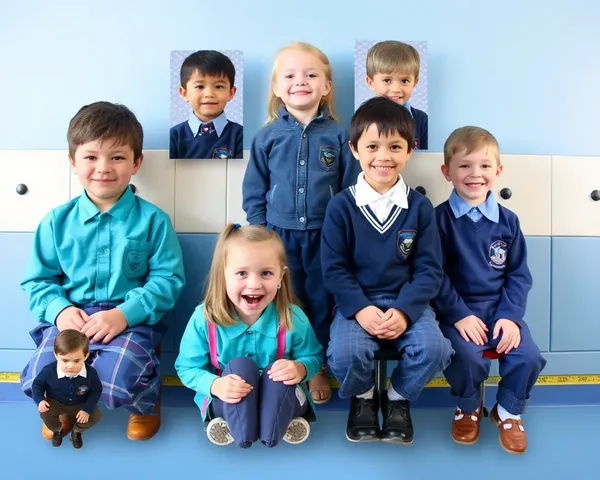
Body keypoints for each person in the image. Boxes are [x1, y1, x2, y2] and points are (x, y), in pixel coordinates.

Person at [20, 101, 186, 442]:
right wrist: (60, 310)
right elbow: (38, 281)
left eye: (118, 157)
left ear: (136, 162)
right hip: (72, 318)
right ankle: (65, 407)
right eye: (91, 157)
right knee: (41, 376)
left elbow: (168, 280)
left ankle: (145, 402)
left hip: (128, 319)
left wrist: (125, 314)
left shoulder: (153, 221)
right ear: (73, 161)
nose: (104, 167)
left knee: (114, 377)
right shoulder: (55, 222)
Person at [321, 96, 453, 443]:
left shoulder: (420, 208)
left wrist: (405, 311)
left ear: (410, 150)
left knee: (436, 349)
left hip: (407, 302)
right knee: (345, 352)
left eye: (395, 146)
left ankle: (397, 399)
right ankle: (364, 397)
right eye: (372, 146)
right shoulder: (341, 207)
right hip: (357, 304)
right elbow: (334, 270)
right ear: (354, 149)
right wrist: (361, 309)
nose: (384, 156)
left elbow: (429, 271)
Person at [242, 42, 358, 404]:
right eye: (289, 75)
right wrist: (263, 235)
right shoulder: (267, 137)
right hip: (278, 239)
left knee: (323, 302)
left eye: (311, 74)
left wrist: (341, 234)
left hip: (326, 238)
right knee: (288, 303)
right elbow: (253, 191)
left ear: (326, 86)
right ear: (277, 87)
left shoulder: (340, 136)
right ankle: (285, 362)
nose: (300, 81)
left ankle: (317, 364)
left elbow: (351, 189)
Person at [433, 126, 546, 455]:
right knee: (467, 357)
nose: (475, 174)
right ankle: (468, 407)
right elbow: (435, 276)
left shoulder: (508, 221)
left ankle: (508, 411)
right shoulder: (439, 221)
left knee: (528, 356)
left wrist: (510, 317)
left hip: (501, 309)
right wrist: (459, 315)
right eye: (464, 165)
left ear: (497, 172)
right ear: (447, 172)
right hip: (459, 312)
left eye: (484, 166)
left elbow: (519, 275)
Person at [175, 224, 323, 448]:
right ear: (223, 275)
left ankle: (279, 424)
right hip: (228, 397)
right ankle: (236, 426)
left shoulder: (293, 318)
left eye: (266, 273)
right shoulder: (204, 319)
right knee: (240, 366)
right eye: (242, 273)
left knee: (279, 374)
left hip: (282, 396)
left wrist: (300, 368)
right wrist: (215, 385)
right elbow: (187, 368)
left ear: (280, 277)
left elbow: (314, 356)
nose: (254, 284)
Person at [32, 329, 102, 449]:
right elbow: (37, 384)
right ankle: (57, 430)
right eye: (65, 360)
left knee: (96, 415)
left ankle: (76, 431)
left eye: (76, 361)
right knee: (45, 412)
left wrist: (86, 409)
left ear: (86, 356)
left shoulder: (91, 373)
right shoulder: (48, 371)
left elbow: (96, 390)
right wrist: (40, 400)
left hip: (79, 403)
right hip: (55, 402)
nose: (70, 366)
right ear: (56, 355)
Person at [170, 50, 243, 159]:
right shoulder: (174, 136)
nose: (209, 94)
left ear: (231, 93)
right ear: (185, 93)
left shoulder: (240, 135)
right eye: (199, 86)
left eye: (219, 87)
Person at [365, 40, 428, 150]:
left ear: (414, 83)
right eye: (387, 80)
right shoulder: (363, 118)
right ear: (371, 83)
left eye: (404, 81)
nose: (396, 89)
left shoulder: (422, 119)